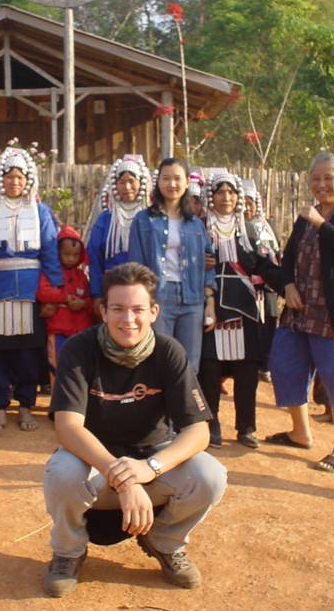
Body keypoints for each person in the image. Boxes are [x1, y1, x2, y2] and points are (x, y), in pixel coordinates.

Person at [42, 262, 227, 597]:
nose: (128, 319)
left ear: (154, 312)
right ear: (103, 311)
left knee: (210, 476)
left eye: (138, 309)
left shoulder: (169, 352)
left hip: (151, 465)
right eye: (118, 309)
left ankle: (164, 542)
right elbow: (67, 428)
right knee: (62, 472)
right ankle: (68, 552)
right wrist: (123, 477)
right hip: (95, 468)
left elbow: (198, 432)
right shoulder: (79, 350)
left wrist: (148, 468)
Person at [265, 151, 334, 473]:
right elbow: (288, 258)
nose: (322, 184)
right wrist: (288, 285)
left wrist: (321, 223)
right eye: (316, 179)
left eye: (328, 178)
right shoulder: (305, 217)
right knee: (284, 366)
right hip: (300, 310)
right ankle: (300, 432)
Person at [0, 145, 63, 437]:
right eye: (9, 176)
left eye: (19, 177)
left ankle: (25, 405)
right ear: (0, 179)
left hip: (31, 292)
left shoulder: (41, 212)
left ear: (28, 180)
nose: (14, 182)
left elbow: (51, 253)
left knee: (28, 352)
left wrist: (53, 294)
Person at [197, 170, 278, 449]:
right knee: (210, 368)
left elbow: (266, 265)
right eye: (220, 192)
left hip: (245, 307)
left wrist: (284, 284)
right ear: (211, 196)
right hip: (211, 304)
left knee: (247, 370)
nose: (226, 197)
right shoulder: (200, 228)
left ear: (238, 197)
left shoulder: (251, 230)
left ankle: (246, 427)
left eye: (231, 192)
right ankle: (211, 423)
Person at [128, 157, 216, 371]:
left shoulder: (196, 224)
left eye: (177, 178)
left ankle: (185, 395)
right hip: (158, 296)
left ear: (187, 182)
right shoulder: (143, 220)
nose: (172, 184)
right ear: (158, 182)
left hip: (192, 298)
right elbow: (135, 264)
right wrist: (142, 300)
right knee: (158, 359)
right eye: (166, 178)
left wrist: (210, 302)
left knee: (189, 364)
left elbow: (209, 265)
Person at [87, 154, 151, 314]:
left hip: (143, 289)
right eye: (122, 182)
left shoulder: (150, 219)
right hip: (111, 288)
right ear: (115, 185)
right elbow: (94, 258)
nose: (127, 187)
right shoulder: (105, 219)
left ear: (141, 183)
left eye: (131, 181)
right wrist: (97, 294)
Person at [241, 177, 281, 382]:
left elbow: (278, 249)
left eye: (250, 203)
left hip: (269, 286)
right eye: (243, 203)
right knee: (251, 326)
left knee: (270, 324)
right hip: (247, 285)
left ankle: (266, 365)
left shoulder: (268, 225)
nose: (247, 208)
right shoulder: (237, 227)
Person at [37, 225, 94, 365]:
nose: (71, 259)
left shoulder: (82, 276)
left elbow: (91, 300)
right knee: (57, 364)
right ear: (57, 252)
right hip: (58, 331)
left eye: (75, 255)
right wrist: (65, 298)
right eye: (66, 254)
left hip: (80, 332)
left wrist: (83, 304)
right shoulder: (51, 273)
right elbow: (42, 291)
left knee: (79, 366)